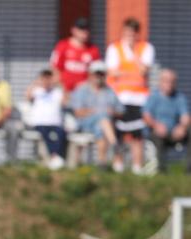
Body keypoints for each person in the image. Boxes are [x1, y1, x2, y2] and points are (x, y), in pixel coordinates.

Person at [106, 17, 155, 174]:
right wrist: (130, 70)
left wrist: (133, 54)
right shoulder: (114, 48)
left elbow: (143, 70)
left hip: (139, 98)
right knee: (118, 133)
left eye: (133, 33)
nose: (130, 36)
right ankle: (118, 164)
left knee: (137, 135)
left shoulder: (145, 48)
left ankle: (136, 166)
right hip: (120, 98)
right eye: (127, 32)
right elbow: (111, 72)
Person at [71, 60, 123, 167]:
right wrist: (94, 112)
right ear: (90, 74)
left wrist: (113, 112)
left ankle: (102, 162)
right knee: (103, 119)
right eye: (96, 74)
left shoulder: (110, 91)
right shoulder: (82, 89)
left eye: (101, 74)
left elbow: (121, 110)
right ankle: (115, 145)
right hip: (84, 124)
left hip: (103, 126)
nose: (98, 77)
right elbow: (77, 112)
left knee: (102, 127)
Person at [143, 70, 191, 174]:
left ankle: (189, 170)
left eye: (172, 81)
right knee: (157, 136)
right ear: (160, 82)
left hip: (174, 132)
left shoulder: (179, 97)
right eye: (166, 81)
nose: (169, 84)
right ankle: (161, 170)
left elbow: (186, 116)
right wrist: (156, 125)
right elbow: (146, 116)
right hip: (156, 132)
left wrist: (182, 127)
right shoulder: (154, 97)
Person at [26, 69, 67, 170]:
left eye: (49, 78)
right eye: (45, 78)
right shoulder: (37, 91)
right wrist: (36, 83)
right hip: (40, 122)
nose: (47, 81)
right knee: (45, 134)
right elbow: (28, 96)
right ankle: (55, 156)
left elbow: (65, 102)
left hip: (55, 122)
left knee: (62, 133)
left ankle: (56, 157)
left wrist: (60, 83)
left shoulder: (57, 92)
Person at [49, 17, 100, 92]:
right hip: (65, 91)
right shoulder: (62, 46)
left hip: (85, 92)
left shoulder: (93, 50)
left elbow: (96, 73)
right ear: (73, 30)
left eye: (87, 30)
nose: (84, 32)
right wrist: (62, 89)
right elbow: (55, 69)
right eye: (81, 29)